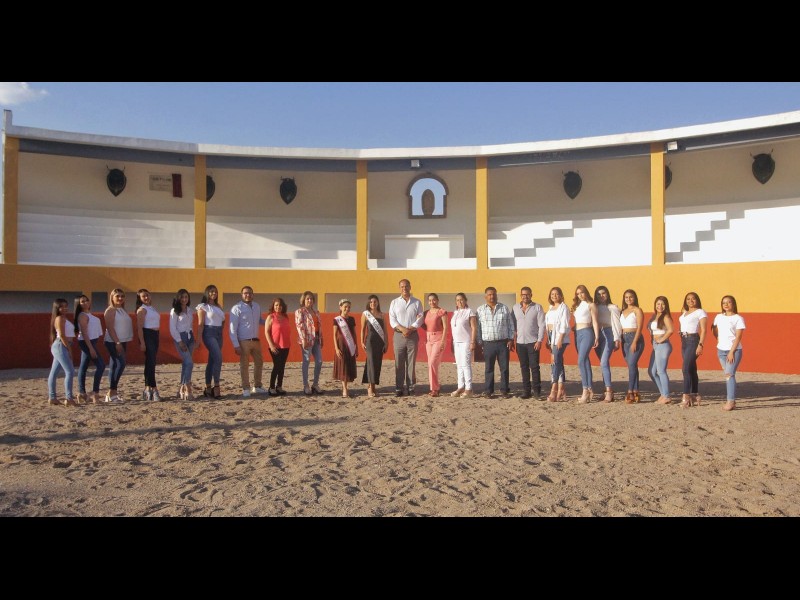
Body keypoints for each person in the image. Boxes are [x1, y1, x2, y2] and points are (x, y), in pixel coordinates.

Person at [476, 287, 515, 399]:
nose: (492, 296)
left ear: (496, 295)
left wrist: (511, 339)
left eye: (493, 294)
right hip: (488, 344)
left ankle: (504, 390)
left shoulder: (504, 308)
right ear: (485, 296)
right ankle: (488, 391)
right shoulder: (480, 310)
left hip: (503, 343)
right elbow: (478, 328)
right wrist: (480, 342)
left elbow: (510, 325)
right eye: (489, 294)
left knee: (504, 368)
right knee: (489, 368)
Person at [229, 286, 266, 398]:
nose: (248, 295)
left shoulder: (257, 306)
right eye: (245, 293)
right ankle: (246, 388)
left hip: (256, 340)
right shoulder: (236, 308)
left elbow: (260, 320)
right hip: (243, 341)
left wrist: (271, 321)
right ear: (241, 295)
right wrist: (236, 345)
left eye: (250, 293)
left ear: (253, 295)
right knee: (244, 365)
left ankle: (257, 386)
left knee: (259, 363)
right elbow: (232, 329)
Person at [388, 278, 424, 397]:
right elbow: (392, 319)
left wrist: (410, 329)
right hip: (398, 335)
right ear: (400, 288)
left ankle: (411, 387)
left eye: (406, 286)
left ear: (410, 287)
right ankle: (399, 388)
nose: (404, 288)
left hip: (412, 336)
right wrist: (403, 329)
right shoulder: (394, 302)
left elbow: (420, 318)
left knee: (411, 363)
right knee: (399, 363)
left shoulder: (417, 302)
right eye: (402, 286)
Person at [712, 295, 746, 412]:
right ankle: (732, 400)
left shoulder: (738, 318)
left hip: (734, 351)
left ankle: (730, 401)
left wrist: (731, 352)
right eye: (724, 303)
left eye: (729, 302)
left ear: (734, 304)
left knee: (729, 374)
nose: (726, 304)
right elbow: (714, 329)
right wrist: (718, 339)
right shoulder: (718, 317)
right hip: (721, 351)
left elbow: (738, 337)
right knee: (728, 375)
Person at [512, 286, 546, 400]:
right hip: (520, 342)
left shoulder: (537, 307)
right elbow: (512, 325)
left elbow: (542, 325)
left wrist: (539, 340)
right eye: (523, 294)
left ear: (531, 295)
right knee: (524, 367)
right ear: (520, 295)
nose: (525, 296)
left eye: (527, 294)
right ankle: (526, 391)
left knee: (534, 367)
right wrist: (513, 338)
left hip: (533, 342)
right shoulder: (515, 308)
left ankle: (537, 391)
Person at [74, 294, 105, 405]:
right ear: (78, 304)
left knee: (83, 366)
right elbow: (84, 333)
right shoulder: (82, 316)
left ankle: (81, 393)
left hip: (92, 341)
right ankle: (95, 393)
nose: (85, 303)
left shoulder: (88, 314)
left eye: (86, 300)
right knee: (101, 365)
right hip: (87, 342)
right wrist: (91, 348)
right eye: (82, 301)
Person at [103, 288, 133, 404]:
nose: (120, 298)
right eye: (117, 296)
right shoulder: (110, 310)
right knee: (121, 364)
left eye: (122, 296)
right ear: (112, 297)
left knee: (114, 366)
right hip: (113, 341)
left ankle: (112, 394)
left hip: (123, 340)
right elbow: (110, 328)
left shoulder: (122, 310)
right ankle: (112, 391)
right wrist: (117, 343)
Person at [593, 285, 622, 402]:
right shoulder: (594, 307)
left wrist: (617, 339)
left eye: (603, 293)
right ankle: (606, 390)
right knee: (603, 363)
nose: (601, 296)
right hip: (597, 335)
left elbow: (616, 323)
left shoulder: (612, 307)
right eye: (599, 294)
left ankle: (609, 391)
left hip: (608, 334)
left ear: (607, 294)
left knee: (604, 362)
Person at [679, 291, 708, 408]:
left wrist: (700, 344)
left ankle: (686, 396)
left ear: (697, 300)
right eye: (688, 299)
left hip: (693, 340)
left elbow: (704, 330)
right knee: (691, 368)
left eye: (693, 299)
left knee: (685, 368)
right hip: (684, 340)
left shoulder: (700, 312)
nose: (690, 301)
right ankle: (695, 394)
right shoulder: (684, 313)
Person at [196, 284, 225, 399]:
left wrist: (220, 331)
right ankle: (216, 387)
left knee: (212, 361)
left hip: (219, 334)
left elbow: (223, 321)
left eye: (215, 292)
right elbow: (200, 324)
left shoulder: (218, 306)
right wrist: (198, 340)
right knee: (218, 358)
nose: (214, 293)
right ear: (207, 293)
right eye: (211, 291)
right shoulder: (203, 306)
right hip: (209, 333)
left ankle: (208, 387)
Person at [572, 284, 600, 404]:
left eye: (582, 292)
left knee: (581, 360)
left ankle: (585, 390)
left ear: (586, 292)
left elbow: (595, 321)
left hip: (587, 332)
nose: (580, 295)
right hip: (577, 333)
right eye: (578, 293)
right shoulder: (578, 306)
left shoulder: (591, 305)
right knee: (585, 361)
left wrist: (597, 336)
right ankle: (589, 388)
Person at [47, 298, 76, 407]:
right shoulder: (59, 318)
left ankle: (52, 397)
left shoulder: (63, 318)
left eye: (66, 306)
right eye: (61, 306)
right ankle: (69, 398)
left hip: (60, 345)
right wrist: (69, 349)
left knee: (54, 372)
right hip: (61, 345)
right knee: (70, 371)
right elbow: (62, 335)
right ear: (57, 308)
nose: (64, 308)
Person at [295, 291, 324, 396]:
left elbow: (319, 326)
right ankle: (306, 385)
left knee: (319, 361)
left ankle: (315, 384)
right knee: (306, 361)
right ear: (303, 300)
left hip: (316, 339)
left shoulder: (316, 312)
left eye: (311, 299)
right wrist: (303, 339)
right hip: (307, 339)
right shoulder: (300, 311)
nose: (310, 300)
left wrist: (321, 338)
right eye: (307, 299)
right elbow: (299, 326)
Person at [136, 288, 162, 402]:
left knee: (151, 362)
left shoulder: (152, 308)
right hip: (147, 335)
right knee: (151, 362)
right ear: (140, 298)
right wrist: (142, 342)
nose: (146, 297)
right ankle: (154, 388)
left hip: (155, 335)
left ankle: (147, 388)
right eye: (143, 296)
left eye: (147, 295)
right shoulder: (142, 310)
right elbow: (139, 327)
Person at [170, 289, 196, 400]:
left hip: (190, 337)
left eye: (186, 297)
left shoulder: (190, 310)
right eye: (182, 297)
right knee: (189, 363)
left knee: (186, 363)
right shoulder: (174, 311)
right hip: (180, 338)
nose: (184, 299)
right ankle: (187, 386)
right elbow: (172, 328)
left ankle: (181, 388)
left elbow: (190, 325)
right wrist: (179, 341)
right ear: (178, 298)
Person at [545, 287, 571, 402]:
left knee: (555, 361)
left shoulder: (563, 307)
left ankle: (554, 388)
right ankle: (561, 388)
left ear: (560, 295)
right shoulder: (550, 308)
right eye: (552, 294)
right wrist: (548, 339)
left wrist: (560, 339)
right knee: (557, 362)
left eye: (556, 294)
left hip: (559, 337)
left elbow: (564, 324)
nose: (554, 296)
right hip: (551, 337)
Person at [619, 289, 645, 404]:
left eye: (631, 297)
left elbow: (639, 327)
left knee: (631, 364)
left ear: (634, 298)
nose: (628, 299)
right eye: (626, 297)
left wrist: (634, 342)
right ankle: (636, 391)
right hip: (624, 339)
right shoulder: (622, 311)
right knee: (632, 365)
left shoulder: (637, 310)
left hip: (635, 337)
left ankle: (630, 392)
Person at [450, 292, 477, 398]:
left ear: (465, 300)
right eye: (457, 300)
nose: (459, 302)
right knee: (459, 365)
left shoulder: (469, 312)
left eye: (461, 299)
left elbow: (474, 328)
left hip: (466, 341)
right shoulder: (455, 312)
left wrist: (472, 342)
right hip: (456, 342)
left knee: (466, 365)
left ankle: (469, 388)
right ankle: (460, 387)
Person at [649, 296, 675, 405]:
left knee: (661, 371)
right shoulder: (655, 316)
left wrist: (661, 339)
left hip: (663, 345)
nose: (660, 306)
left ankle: (666, 396)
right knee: (652, 372)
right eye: (658, 304)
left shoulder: (666, 316)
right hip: (656, 346)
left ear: (666, 305)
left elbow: (671, 330)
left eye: (663, 304)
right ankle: (663, 393)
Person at [360, 294, 387, 398]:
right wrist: (362, 342)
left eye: (375, 301)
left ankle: (374, 386)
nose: (373, 303)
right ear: (368, 303)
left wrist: (386, 342)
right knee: (371, 362)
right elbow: (362, 329)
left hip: (380, 342)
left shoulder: (382, 315)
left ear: (378, 303)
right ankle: (370, 388)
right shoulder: (366, 314)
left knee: (377, 363)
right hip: (370, 341)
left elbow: (385, 331)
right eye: (371, 302)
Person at [266, 297, 291, 396]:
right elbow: (266, 332)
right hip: (275, 346)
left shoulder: (286, 317)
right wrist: (271, 345)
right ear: (273, 306)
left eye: (280, 305)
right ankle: (271, 387)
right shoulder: (271, 317)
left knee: (282, 366)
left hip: (286, 345)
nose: (278, 307)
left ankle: (279, 387)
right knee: (277, 366)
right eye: (276, 305)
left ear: (283, 306)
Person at [423, 293, 448, 397]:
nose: (432, 302)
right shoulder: (426, 313)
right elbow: (424, 325)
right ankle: (434, 387)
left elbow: (445, 327)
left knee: (433, 362)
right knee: (431, 364)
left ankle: (435, 389)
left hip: (438, 338)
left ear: (437, 300)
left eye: (433, 300)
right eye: (429, 300)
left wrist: (442, 341)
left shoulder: (442, 312)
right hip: (429, 340)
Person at [333, 299, 358, 397]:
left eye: (349, 307)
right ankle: (344, 388)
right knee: (343, 366)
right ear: (340, 307)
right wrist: (336, 348)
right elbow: (334, 335)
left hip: (350, 346)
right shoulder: (337, 320)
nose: (347, 309)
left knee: (348, 366)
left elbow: (354, 334)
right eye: (345, 307)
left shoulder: (352, 319)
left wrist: (356, 347)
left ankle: (346, 386)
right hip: (341, 346)